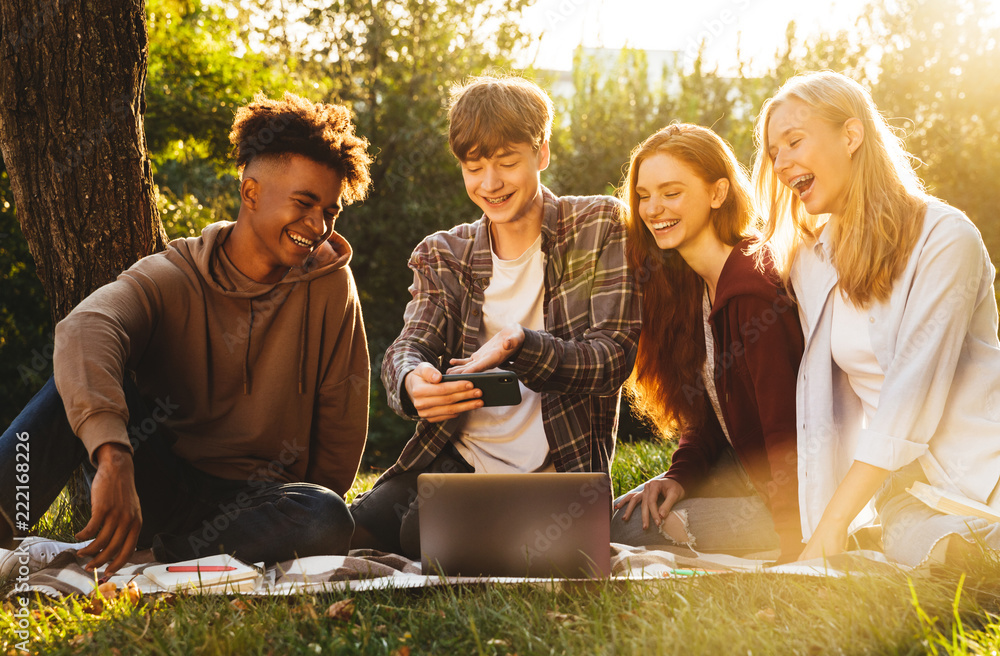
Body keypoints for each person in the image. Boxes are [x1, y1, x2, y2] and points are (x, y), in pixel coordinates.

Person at [0, 92, 373, 576]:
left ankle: (151, 561)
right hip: (154, 485)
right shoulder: (176, 273)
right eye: (304, 203)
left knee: (324, 514)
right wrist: (113, 455)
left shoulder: (330, 286)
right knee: (69, 383)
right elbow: (84, 328)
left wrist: (313, 521)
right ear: (252, 192)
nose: (318, 225)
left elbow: (340, 425)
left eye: (330, 211)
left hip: (257, 508)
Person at [349, 74, 641, 559]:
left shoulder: (599, 224)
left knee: (417, 534)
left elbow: (612, 359)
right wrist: (411, 380)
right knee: (349, 529)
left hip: (556, 481)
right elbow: (407, 346)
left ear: (541, 153)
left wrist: (520, 345)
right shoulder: (445, 252)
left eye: (507, 162)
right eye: (474, 166)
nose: (491, 183)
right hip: (456, 461)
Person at [754, 70, 1000, 566]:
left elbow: (910, 394)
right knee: (934, 550)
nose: (780, 163)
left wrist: (832, 525)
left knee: (962, 553)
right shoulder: (811, 261)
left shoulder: (946, 238)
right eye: (772, 151)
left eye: (794, 141)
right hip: (908, 492)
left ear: (851, 135)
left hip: (984, 468)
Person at [610, 124, 804, 563]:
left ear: (718, 193)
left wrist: (798, 546)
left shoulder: (754, 289)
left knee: (619, 534)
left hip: (791, 506)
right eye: (643, 195)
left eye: (671, 192)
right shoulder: (692, 290)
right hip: (741, 481)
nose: (653, 208)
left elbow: (784, 428)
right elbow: (708, 415)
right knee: (617, 518)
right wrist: (678, 478)